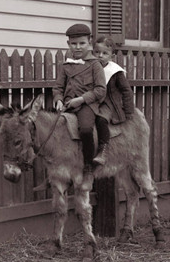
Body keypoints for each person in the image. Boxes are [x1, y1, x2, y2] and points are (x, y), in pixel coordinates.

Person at [53, 24, 106, 175]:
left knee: (86, 129)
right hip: (68, 105)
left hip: (86, 105)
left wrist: (82, 100)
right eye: (74, 43)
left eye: (82, 43)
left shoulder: (95, 65)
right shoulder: (66, 65)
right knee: (52, 130)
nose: (78, 47)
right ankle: (61, 167)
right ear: (68, 44)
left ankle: (88, 164)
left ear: (89, 43)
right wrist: (58, 100)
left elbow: (101, 90)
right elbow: (58, 87)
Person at [91, 35, 135, 166]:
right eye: (97, 52)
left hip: (108, 104)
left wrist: (128, 111)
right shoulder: (91, 68)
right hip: (93, 102)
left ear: (112, 56)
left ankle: (102, 151)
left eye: (105, 53)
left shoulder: (115, 71)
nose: (100, 56)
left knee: (101, 120)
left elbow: (126, 91)